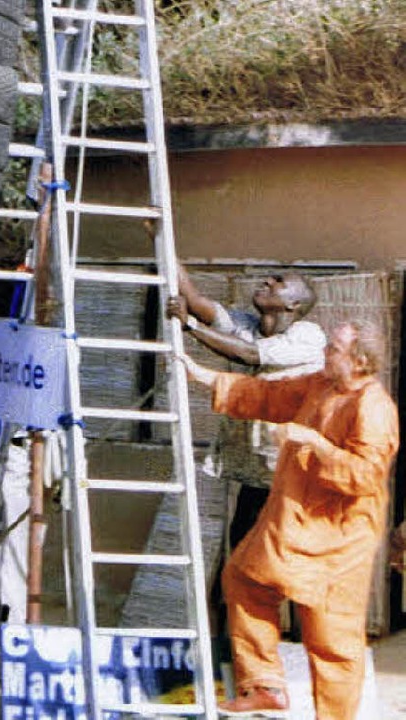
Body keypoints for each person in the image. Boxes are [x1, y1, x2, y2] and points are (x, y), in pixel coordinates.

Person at [178, 321, 399, 719]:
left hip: (340, 537)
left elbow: (365, 476)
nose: (326, 354)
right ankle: (264, 685)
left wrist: (314, 442)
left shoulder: (374, 407)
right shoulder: (321, 383)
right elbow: (269, 394)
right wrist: (203, 375)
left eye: (333, 348)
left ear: (360, 361)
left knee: (331, 638)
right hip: (294, 521)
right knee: (244, 580)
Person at [168, 266, 326, 551]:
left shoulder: (308, 336)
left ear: (294, 304)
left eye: (279, 281)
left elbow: (249, 354)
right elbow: (194, 299)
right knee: (243, 549)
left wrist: (190, 325)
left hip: (296, 477)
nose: (267, 280)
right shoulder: (248, 327)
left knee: (280, 557)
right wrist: (160, 237)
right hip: (261, 472)